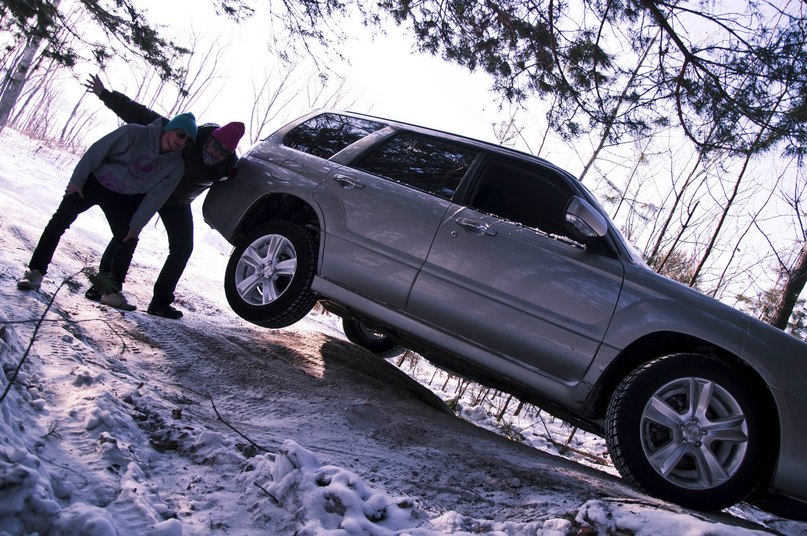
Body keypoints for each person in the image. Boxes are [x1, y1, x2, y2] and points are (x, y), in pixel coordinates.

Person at [83, 74, 245, 319]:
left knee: (182, 249)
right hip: (149, 190)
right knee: (125, 233)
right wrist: (106, 95)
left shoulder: (227, 167)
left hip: (177, 203)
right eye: (215, 145)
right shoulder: (187, 136)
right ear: (210, 138)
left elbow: (244, 180)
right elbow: (140, 115)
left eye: (223, 152)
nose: (216, 152)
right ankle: (102, 286)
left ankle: (160, 302)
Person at [17, 112, 198, 312]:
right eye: (181, 135)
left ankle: (110, 292)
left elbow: (156, 198)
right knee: (60, 221)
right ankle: (35, 272)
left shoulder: (175, 166)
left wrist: (136, 226)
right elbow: (96, 152)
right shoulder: (135, 133)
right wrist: (76, 182)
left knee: (128, 238)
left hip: (121, 196)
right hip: (94, 182)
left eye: (188, 140)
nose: (182, 142)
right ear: (170, 128)